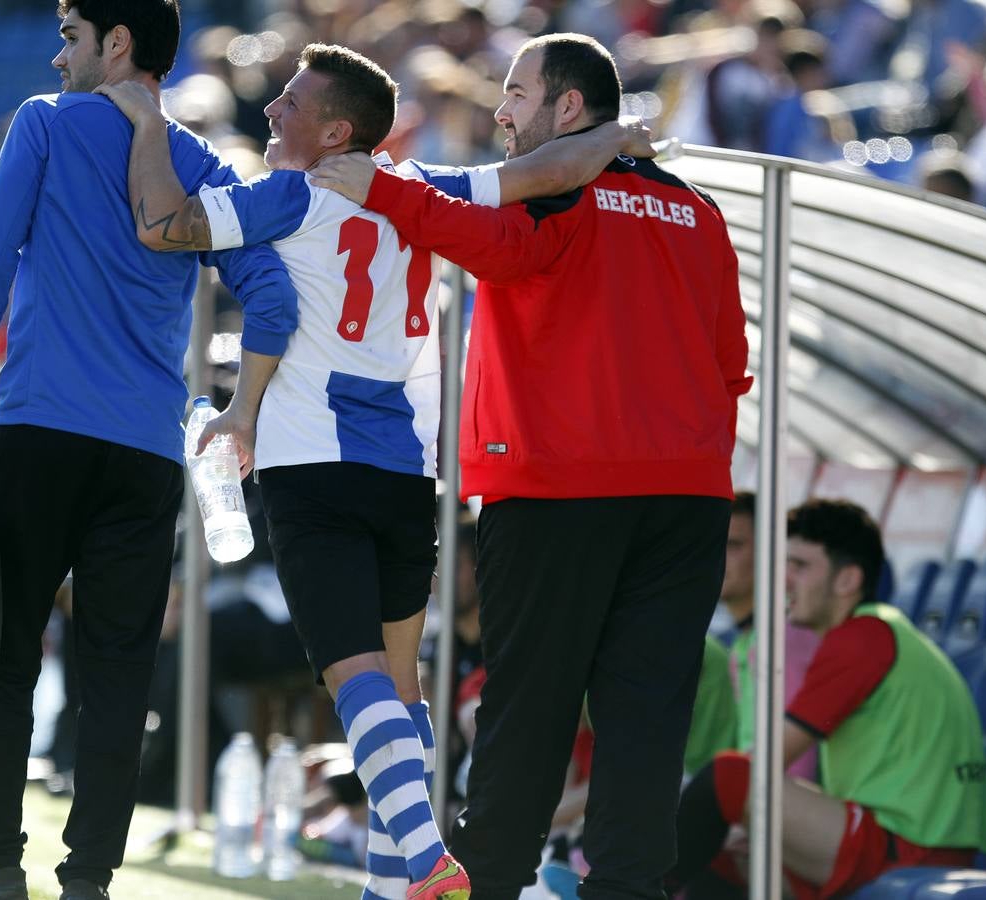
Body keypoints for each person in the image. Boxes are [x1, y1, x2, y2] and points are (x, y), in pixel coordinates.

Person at [96, 40, 653, 900]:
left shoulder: (295, 191)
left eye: (291, 101)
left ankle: (427, 861)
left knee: (352, 675)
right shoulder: (424, 185)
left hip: (312, 466)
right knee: (404, 684)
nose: (273, 111)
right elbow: (549, 172)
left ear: (336, 131)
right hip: (402, 470)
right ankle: (388, 890)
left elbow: (159, 224)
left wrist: (143, 124)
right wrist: (618, 137)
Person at [309, 32, 753, 899]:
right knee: (646, 726)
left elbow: (486, 242)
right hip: (686, 503)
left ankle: (495, 888)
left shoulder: (556, 186)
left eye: (516, 92)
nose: (500, 110)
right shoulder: (698, 211)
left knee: (525, 722)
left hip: (557, 491)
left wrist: (381, 186)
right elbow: (730, 362)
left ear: (570, 109)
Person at [0, 3, 298, 899]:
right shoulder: (198, 162)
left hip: (41, 435)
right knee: (120, 670)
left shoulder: (44, 124)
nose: (56, 57)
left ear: (115, 43)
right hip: (145, 459)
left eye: (70, 35)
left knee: (4, 656)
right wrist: (240, 412)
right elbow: (271, 301)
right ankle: (89, 881)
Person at [670, 499, 986, 899]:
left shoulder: (862, 637)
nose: (783, 579)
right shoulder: (884, 631)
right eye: (784, 564)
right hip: (908, 838)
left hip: (912, 845)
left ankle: (633, 890)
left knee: (728, 777)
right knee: (726, 862)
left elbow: (769, 759)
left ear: (847, 580)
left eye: (800, 567)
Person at [721, 491, 819, 781]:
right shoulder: (745, 642)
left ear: (770, 553)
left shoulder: (784, 637)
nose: (716, 556)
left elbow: (794, 770)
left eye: (733, 545)